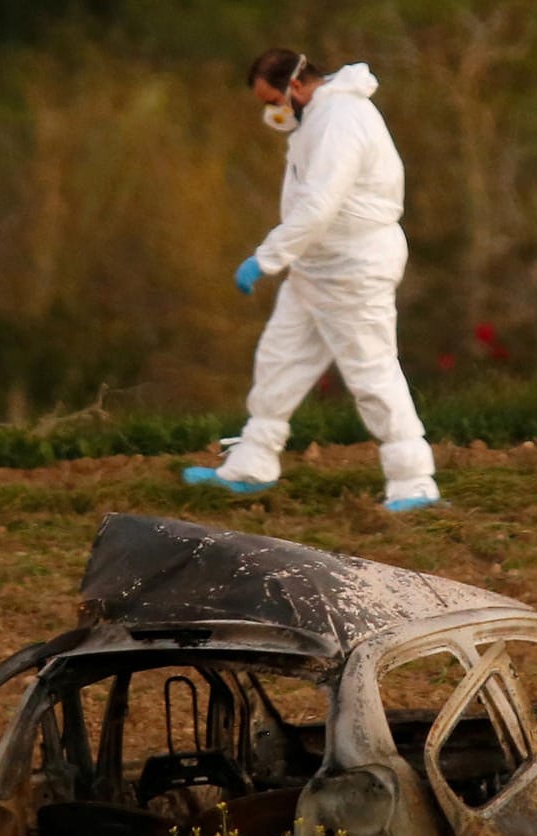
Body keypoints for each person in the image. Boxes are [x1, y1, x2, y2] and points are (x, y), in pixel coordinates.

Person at [182, 48, 441, 512]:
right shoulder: (318, 119)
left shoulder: (340, 121)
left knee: (371, 370)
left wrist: (267, 257)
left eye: (273, 100)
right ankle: (253, 461)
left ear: (296, 87)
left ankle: (413, 480)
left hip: (353, 268)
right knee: (280, 358)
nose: (273, 112)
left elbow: (320, 204)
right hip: (317, 267)